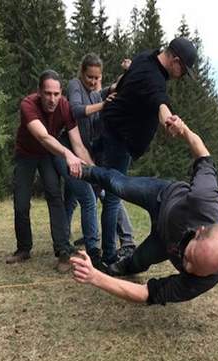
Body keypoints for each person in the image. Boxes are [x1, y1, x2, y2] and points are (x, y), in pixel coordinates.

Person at [70, 118, 218, 306]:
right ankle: (86, 171)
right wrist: (184, 130)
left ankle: (119, 267)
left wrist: (95, 277)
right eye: (190, 258)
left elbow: (146, 293)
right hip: (162, 196)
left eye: (195, 269)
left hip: (163, 241)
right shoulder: (204, 200)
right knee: (119, 185)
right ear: (199, 231)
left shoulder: (206, 280)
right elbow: (204, 157)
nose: (187, 268)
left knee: (138, 261)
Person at [99, 36, 198, 265]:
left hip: (113, 132)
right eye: (184, 70)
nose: (182, 75)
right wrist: (169, 121)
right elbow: (160, 104)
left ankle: (106, 250)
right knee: (113, 196)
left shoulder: (145, 57)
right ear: (175, 60)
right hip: (119, 140)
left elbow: (130, 75)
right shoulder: (155, 80)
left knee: (108, 191)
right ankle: (108, 256)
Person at [6, 69, 94, 273]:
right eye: (47, 93)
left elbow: (78, 144)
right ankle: (23, 249)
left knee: (55, 196)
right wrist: (67, 155)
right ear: (39, 92)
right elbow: (44, 137)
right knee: (21, 202)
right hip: (26, 154)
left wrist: (94, 170)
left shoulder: (65, 107)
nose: (52, 99)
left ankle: (63, 251)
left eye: (56, 94)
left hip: (47, 155)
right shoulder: (28, 104)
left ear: (61, 93)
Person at [59, 53, 135, 261]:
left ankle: (126, 240)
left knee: (98, 195)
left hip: (92, 153)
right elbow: (74, 110)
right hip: (73, 152)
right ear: (82, 73)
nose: (92, 81)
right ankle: (69, 244)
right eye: (89, 77)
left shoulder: (95, 93)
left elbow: (114, 88)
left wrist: (128, 72)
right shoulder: (75, 85)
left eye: (96, 77)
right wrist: (103, 105)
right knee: (81, 197)